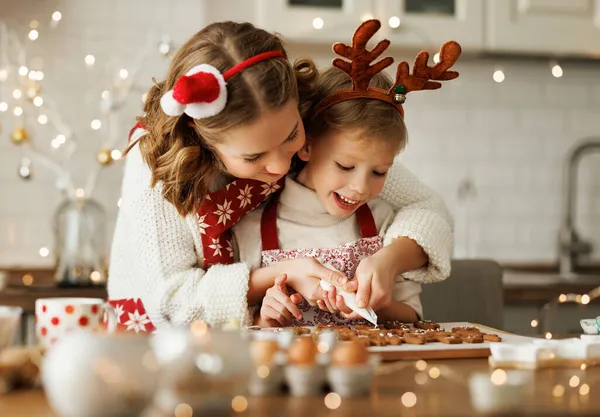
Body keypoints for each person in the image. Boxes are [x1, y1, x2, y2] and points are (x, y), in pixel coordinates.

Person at [107, 21, 454, 333]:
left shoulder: (316, 138)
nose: (278, 166)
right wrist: (280, 274)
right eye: (253, 156)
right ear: (201, 135)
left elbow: (426, 206)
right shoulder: (155, 165)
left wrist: (390, 259)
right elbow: (168, 302)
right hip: (153, 341)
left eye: (291, 136)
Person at [233, 19, 461, 327]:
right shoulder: (251, 226)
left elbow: (413, 315)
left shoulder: (383, 221)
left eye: (379, 172)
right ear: (306, 145)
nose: (360, 188)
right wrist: (266, 317)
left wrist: (377, 304)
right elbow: (242, 328)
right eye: (345, 166)